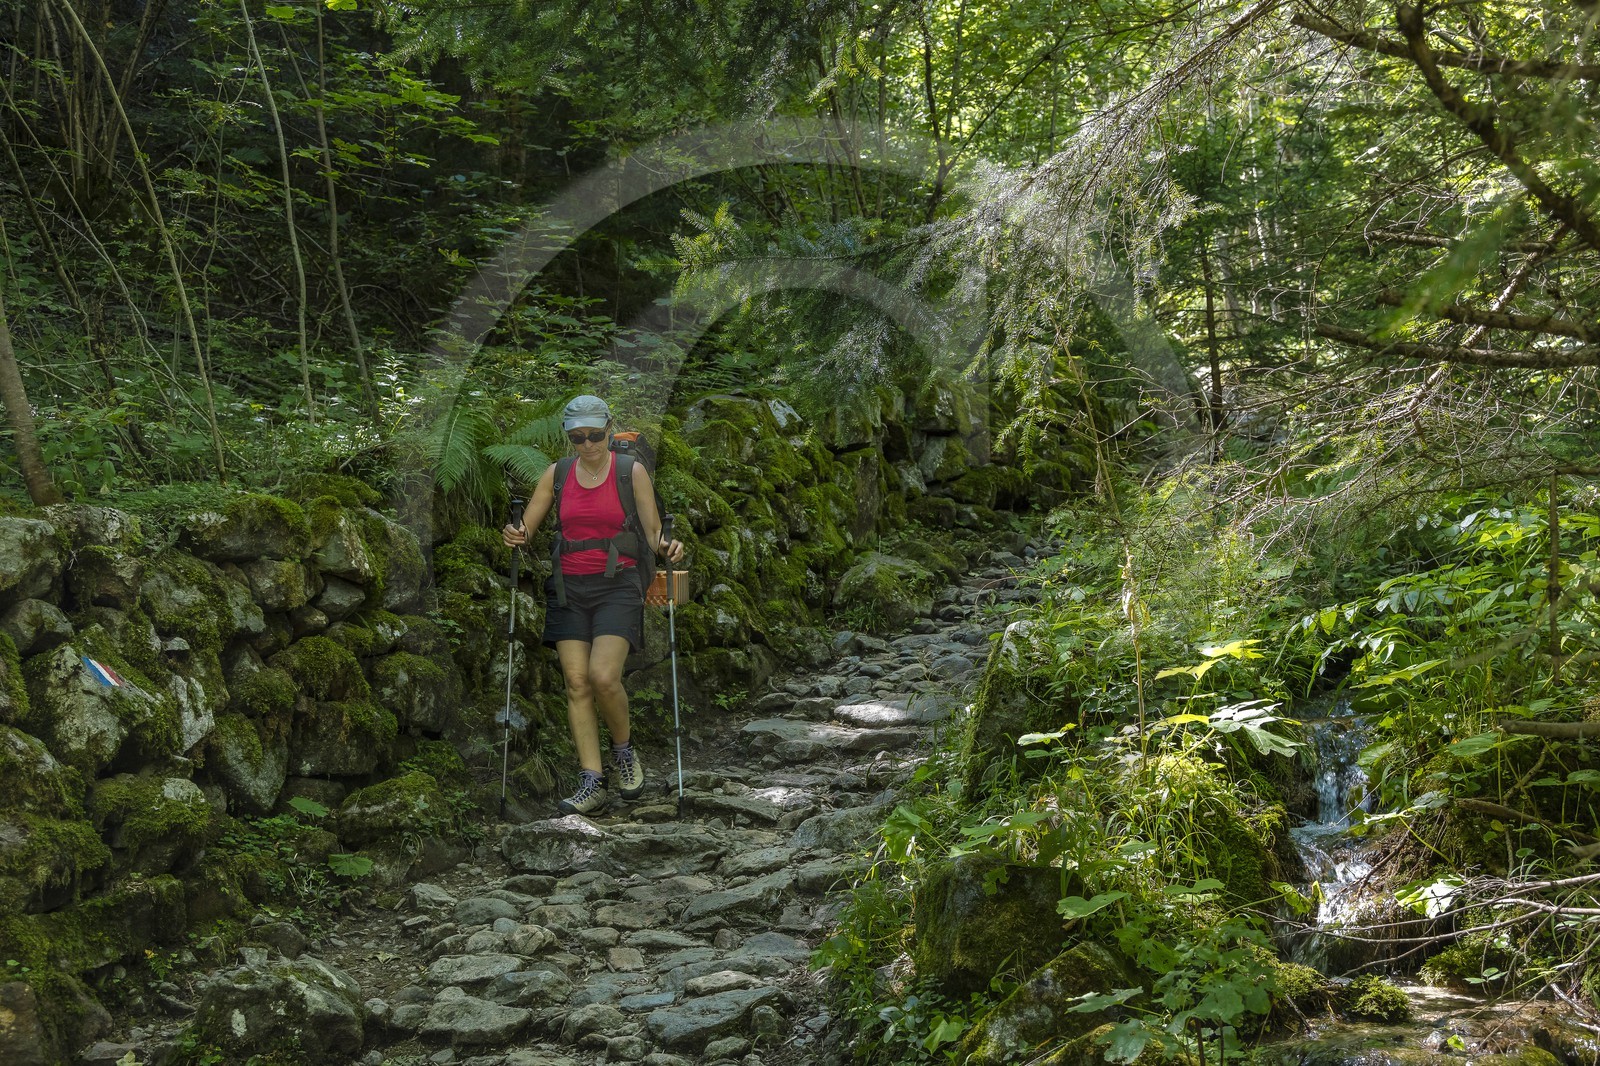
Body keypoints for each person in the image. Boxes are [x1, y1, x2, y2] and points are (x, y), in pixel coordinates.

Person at [502, 394, 685, 815]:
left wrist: (669, 546)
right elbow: (525, 528)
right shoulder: (557, 474)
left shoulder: (630, 472)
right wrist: (513, 535)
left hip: (618, 584)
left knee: (603, 676)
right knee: (577, 682)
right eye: (577, 438)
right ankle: (592, 780)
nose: (587, 445)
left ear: (609, 428)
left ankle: (623, 751)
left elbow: (655, 533)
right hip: (567, 587)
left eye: (595, 436)